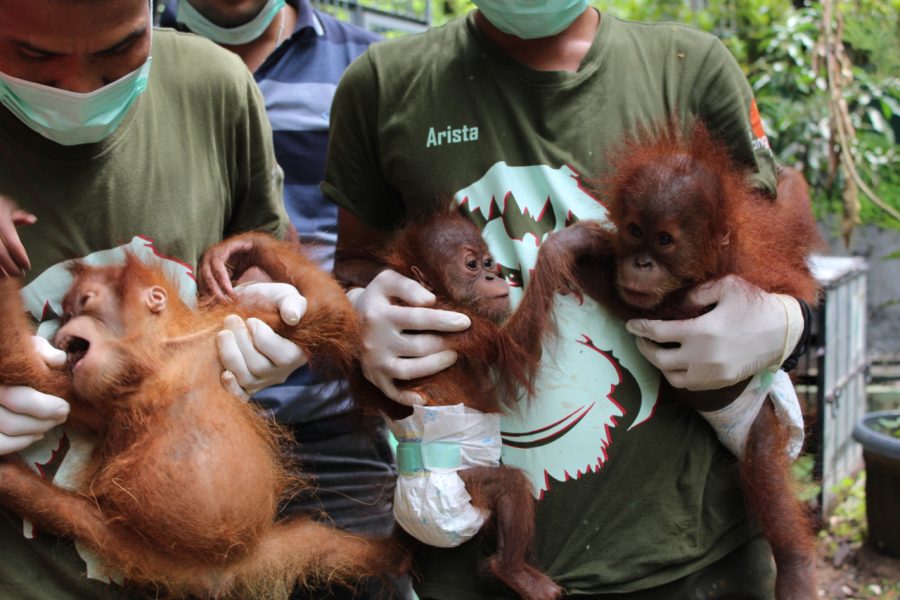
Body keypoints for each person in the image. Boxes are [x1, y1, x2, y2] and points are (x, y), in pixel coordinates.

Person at [323, 2, 811, 598]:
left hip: (693, 557)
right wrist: (359, 313)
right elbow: (356, 263)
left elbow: (775, 240)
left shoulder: (690, 69)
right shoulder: (383, 85)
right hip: (472, 560)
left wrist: (789, 320)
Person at [0, 1, 310, 598]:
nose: (78, 86)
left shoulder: (213, 86)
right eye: (35, 54)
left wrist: (281, 317)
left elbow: (267, 258)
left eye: (120, 48)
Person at [159, 2, 407, 598]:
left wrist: (349, 315)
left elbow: (386, 243)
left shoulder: (364, 67)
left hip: (327, 420)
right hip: (179, 425)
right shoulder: (120, 53)